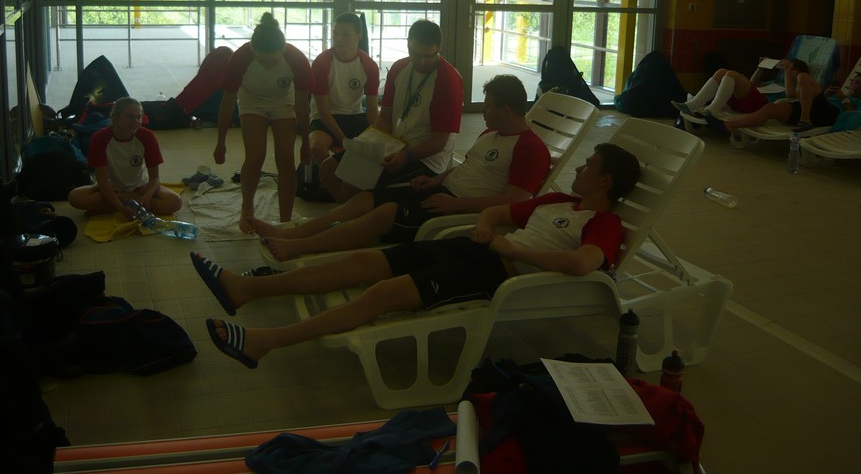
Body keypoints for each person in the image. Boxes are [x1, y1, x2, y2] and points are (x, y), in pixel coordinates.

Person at [191, 142, 641, 369]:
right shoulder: (559, 200)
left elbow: (583, 264)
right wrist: (488, 227)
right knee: (366, 263)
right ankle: (246, 288)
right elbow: (498, 211)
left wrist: (512, 247)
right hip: (474, 247)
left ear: (606, 183)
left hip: (497, 274)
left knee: (382, 294)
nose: (579, 167)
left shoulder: (605, 223)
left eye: (589, 165)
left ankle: (265, 342)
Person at [250, 74, 551, 260]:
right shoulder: (491, 133)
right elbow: (467, 166)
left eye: (487, 106)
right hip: (442, 192)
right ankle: (293, 233)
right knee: (364, 199)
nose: (482, 110)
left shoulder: (530, 148)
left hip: (459, 206)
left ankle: (299, 247)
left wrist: (456, 204)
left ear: (505, 110)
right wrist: (436, 181)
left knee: (383, 214)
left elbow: (517, 200)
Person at [318, 19, 463, 202]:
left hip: (426, 158)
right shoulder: (399, 68)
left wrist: (405, 156)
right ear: (408, 44)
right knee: (328, 169)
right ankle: (352, 211)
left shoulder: (448, 81)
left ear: (439, 48)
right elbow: (385, 118)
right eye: (415, 54)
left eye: (428, 56)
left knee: (352, 184)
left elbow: (438, 143)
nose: (421, 61)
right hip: (394, 144)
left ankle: (353, 212)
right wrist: (372, 145)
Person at [215, 13, 313, 231]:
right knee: (255, 156)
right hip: (252, 101)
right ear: (253, 49)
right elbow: (227, 102)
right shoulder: (240, 58)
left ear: (283, 49)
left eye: (274, 60)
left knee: (286, 159)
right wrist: (221, 142)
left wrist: (306, 142)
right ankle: (247, 208)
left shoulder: (296, 59)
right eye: (262, 60)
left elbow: (302, 106)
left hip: (283, 101)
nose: (268, 65)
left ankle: (285, 221)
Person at [68, 97, 182, 218]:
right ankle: (127, 203)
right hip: (111, 188)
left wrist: (147, 197)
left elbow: (154, 178)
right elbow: (103, 181)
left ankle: (111, 206)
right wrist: (121, 208)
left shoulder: (147, 136)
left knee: (175, 201)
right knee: (75, 197)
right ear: (115, 118)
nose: (135, 121)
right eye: (129, 117)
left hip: (140, 187)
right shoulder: (99, 138)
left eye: (138, 117)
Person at [308, 12, 379, 166]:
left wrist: (378, 135)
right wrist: (344, 141)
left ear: (359, 36)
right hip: (325, 118)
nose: (339, 39)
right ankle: (331, 177)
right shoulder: (321, 63)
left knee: (377, 149)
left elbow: (373, 110)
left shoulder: (369, 66)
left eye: (345, 34)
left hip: (354, 115)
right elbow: (323, 111)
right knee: (316, 147)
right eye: (336, 33)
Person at [709, 58, 839, 133]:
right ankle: (730, 125)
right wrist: (761, 67)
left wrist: (787, 70)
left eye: (792, 69)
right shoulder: (780, 83)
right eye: (788, 69)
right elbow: (752, 84)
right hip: (795, 108)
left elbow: (790, 94)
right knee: (769, 109)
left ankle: (805, 120)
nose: (789, 72)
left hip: (819, 110)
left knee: (802, 78)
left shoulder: (806, 80)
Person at [671, 64, 769, 119]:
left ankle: (712, 110)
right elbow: (752, 82)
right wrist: (760, 69)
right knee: (721, 72)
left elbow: (782, 97)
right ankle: (692, 105)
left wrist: (785, 69)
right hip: (742, 100)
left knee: (731, 74)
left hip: (760, 105)